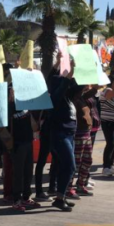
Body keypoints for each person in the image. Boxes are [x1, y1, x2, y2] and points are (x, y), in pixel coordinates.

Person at [47, 58, 78, 212]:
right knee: (70, 166)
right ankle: (59, 198)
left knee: (65, 167)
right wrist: (70, 71)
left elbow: (77, 87)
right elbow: (62, 86)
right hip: (60, 134)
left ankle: (62, 196)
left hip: (69, 134)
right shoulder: (55, 97)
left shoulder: (67, 97)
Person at [7, 86, 40, 211]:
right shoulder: (10, 107)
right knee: (18, 173)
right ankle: (16, 200)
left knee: (28, 171)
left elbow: (34, 127)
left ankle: (26, 197)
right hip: (17, 143)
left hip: (28, 141)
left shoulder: (27, 106)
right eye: (12, 91)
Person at [71, 84, 99, 197]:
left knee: (87, 160)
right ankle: (68, 187)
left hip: (87, 133)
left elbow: (90, 93)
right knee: (76, 163)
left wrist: (95, 88)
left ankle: (81, 184)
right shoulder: (74, 98)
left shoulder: (82, 97)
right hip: (79, 134)